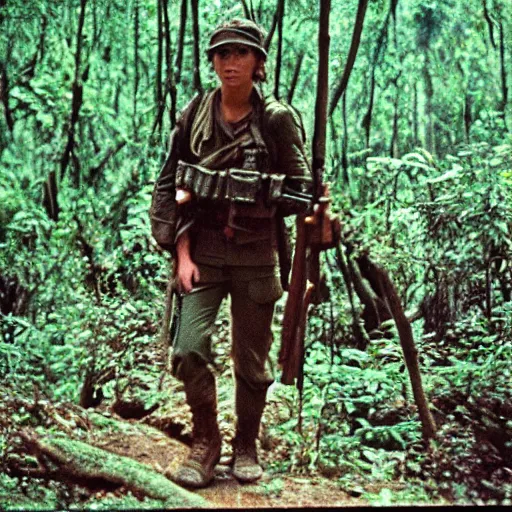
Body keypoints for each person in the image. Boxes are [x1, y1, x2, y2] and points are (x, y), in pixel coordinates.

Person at [150, 18, 312, 489]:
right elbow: (170, 184)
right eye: (222, 54)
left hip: (257, 256)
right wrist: (180, 251)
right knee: (187, 348)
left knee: (252, 361)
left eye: (241, 54)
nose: (231, 62)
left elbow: (300, 192)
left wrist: (257, 190)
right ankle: (206, 442)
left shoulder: (277, 120)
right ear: (213, 62)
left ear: (259, 62)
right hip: (203, 252)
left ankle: (246, 443)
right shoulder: (196, 113)